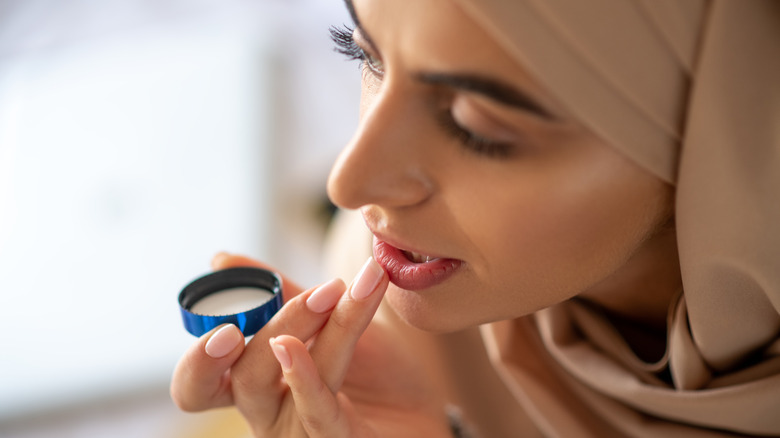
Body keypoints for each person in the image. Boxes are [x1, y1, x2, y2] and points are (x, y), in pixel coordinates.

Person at [171, 0, 780, 436]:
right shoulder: (385, 299)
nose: (349, 184)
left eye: (476, 125)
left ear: (721, 144)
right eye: (364, 54)